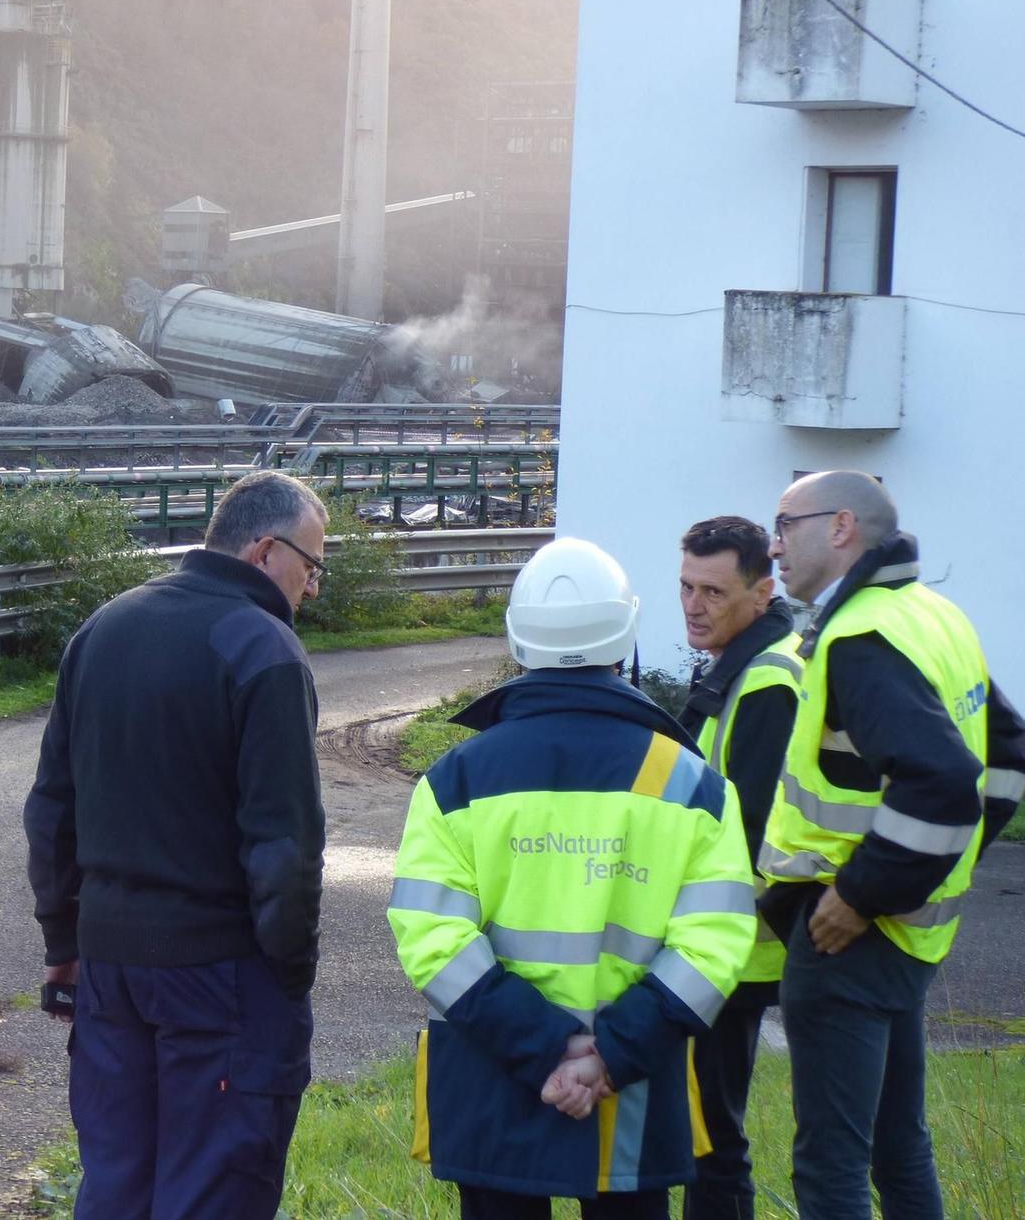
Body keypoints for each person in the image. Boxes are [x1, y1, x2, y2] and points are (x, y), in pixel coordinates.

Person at [387, 537, 757, 1220]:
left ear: (518, 642)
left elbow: (431, 936)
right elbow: (716, 942)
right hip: (634, 1082)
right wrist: (608, 1055)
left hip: (495, 1075)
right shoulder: (691, 783)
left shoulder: (457, 781)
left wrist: (544, 1047)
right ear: (625, 640)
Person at [24, 469, 328, 1220]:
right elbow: (284, 845)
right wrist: (289, 973)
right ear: (266, 552)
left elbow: (50, 808)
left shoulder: (106, 625)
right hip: (220, 974)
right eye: (312, 565)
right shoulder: (264, 649)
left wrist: (64, 940)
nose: (314, 586)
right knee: (213, 1191)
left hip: (109, 972)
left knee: (116, 1185)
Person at [759, 471, 1025, 1220]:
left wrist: (862, 893)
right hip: (902, 938)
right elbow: (1005, 756)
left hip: (846, 934)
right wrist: (938, 871)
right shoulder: (932, 614)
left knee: (832, 1167)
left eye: (785, 524)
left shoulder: (862, 637)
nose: (773, 545)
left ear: (841, 526)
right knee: (898, 1146)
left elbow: (942, 780)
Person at [674, 516, 801, 1220]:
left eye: (714, 592)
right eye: (686, 587)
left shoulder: (769, 678)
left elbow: (747, 832)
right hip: (721, 942)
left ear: (762, 592)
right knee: (703, 1134)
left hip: (732, 949)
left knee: (711, 1141)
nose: (695, 605)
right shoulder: (740, 661)